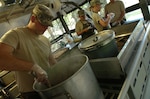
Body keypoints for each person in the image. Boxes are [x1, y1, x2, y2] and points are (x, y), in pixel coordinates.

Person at [0, 4, 57, 99]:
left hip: (49, 88)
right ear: (33, 18)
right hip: (31, 94)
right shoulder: (15, 35)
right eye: (43, 24)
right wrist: (33, 67)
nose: (45, 28)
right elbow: (1, 60)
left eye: (47, 25)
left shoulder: (45, 40)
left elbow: (52, 62)